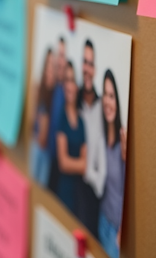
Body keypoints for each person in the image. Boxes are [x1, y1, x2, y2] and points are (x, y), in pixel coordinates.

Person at [98, 69, 127, 258]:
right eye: (105, 95)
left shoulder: (122, 141)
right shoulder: (99, 134)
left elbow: (129, 190)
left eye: (112, 96)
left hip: (116, 232)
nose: (108, 101)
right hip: (101, 221)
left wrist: (122, 230)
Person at [77, 39, 104, 232]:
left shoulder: (102, 107)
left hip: (92, 195)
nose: (87, 68)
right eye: (85, 62)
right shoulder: (72, 102)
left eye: (91, 63)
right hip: (71, 188)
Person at [53, 60, 86, 213]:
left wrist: (80, 165)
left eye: (72, 80)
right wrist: (80, 165)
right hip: (64, 192)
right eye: (66, 80)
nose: (68, 85)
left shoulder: (81, 120)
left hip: (79, 193)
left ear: (77, 86)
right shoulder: (61, 118)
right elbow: (63, 163)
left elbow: (85, 164)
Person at [28, 46, 54, 186]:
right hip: (36, 146)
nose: (50, 69)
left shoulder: (56, 93)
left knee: (41, 186)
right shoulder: (39, 89)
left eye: (53, 65)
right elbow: (32, 120)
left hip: (46, 152)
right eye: (48, 64)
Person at [45, 36, 67, 193]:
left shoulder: (69, 91)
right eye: (58, 56)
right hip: (48, 156)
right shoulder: (51, 88)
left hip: (61, 162)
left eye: (63, 56)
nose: (60, 61)